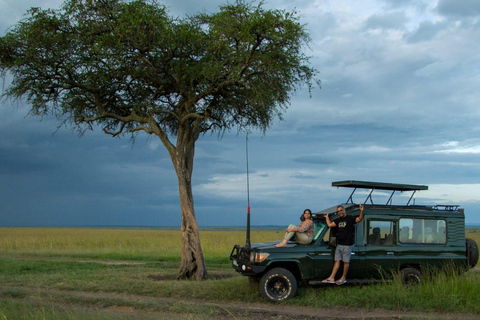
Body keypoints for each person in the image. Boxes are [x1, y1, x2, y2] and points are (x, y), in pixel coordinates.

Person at [322, 204, 364, 285]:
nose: (340, 212)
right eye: (338, 211)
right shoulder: (338, 220)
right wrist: (327, 217)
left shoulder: (350, 218)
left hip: (347, 245)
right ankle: (331, 277)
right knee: (337, 261)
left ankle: (343, 278)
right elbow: (330, 225)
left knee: (345, 262)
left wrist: (361, 211)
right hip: (339, 244)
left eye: (341, 210)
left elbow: (359, 219)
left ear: (344, 210)